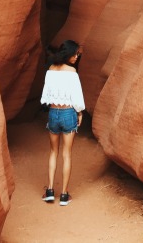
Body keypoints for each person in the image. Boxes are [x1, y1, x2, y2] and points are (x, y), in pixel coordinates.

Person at [40, 40, 85, 206]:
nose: (76, 57)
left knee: (53, 152)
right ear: (68, 54)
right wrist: (79, 112)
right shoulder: (72, 72)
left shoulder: (51, 70)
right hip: (68, 114)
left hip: (53, 113)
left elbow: (46, 94)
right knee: (67, 155)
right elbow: (77, 98)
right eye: (75, 54)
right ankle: (64, 195)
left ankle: (50, 191)